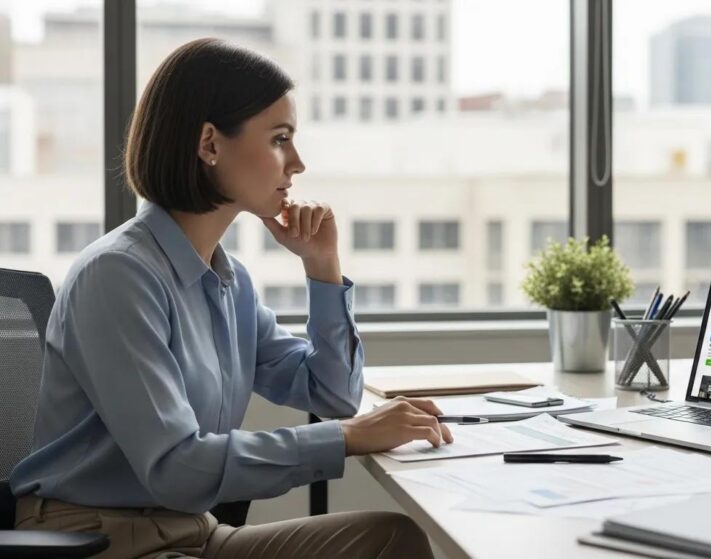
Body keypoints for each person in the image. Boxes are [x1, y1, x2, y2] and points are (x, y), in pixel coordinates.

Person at [10, 39, 443, 558]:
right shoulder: (118, 275)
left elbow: (332, 394)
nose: (298, 163)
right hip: (98, 541)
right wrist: (347, 438)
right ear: (210, 143)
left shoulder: (227, 281)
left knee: (390, 540)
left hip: (194, 533)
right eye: (280, 139)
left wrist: (322, 270)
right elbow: (175, 467)